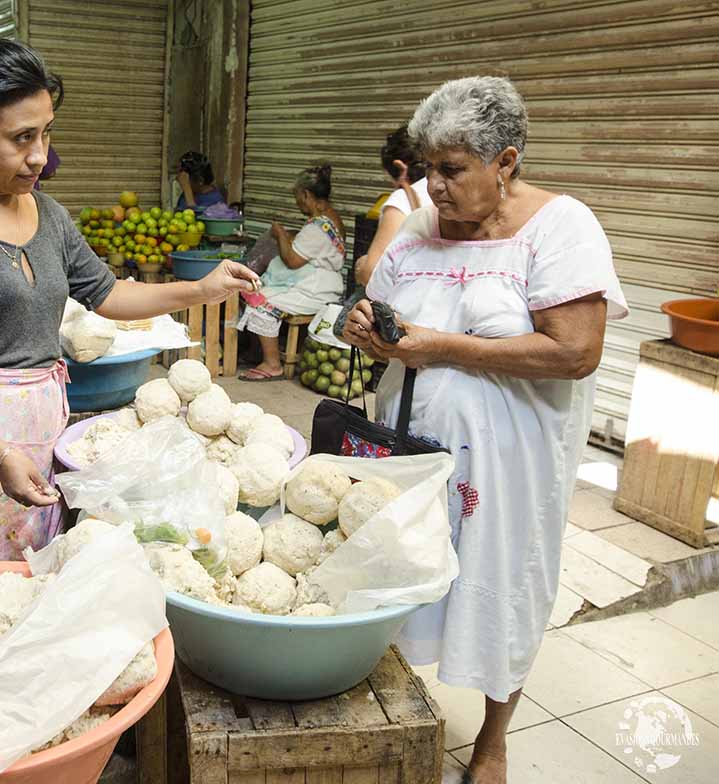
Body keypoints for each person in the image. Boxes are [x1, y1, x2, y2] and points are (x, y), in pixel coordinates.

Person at [340, 76, 627, 784]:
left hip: (509, 463)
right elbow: (380, 312)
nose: (431, 187)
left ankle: (493, 740)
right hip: (409, 447)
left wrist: (439, 346)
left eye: (451, 169)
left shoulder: (561, 227)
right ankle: (385, 700)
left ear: (504, 162)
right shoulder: (416, 227)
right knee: (395, 570)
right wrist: (363, 331)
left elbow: (573, 352)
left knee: (505, 583)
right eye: (427, 166)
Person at [0, 23, 259, 568]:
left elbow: (108, 294)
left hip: (39, 432)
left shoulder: (49, 215)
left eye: (46, 133)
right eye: (21, 139)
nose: (40, 156)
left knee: (34, 574)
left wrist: (202, 289)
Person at [236, 164, 346, 381]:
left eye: (297, 196)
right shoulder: (332, 218)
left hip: (316, 290)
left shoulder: (316, 228)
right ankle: (258, 352)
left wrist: (280, 235)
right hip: (323, 285)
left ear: (306, 195)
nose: (297, 202)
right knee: (259, 292)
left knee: (259, 302)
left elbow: (292, 260)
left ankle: (272, 364)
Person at [354, 125, 433, 285]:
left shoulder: (401, 200)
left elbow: (372, 274)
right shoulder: (449, 191)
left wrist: (363, 266)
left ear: (399, 166)